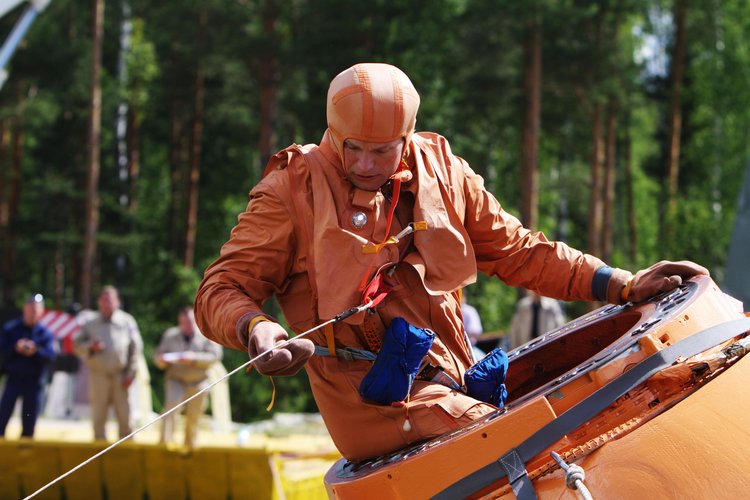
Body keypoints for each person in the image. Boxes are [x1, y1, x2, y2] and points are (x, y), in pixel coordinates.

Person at [194, 63, 708, 462]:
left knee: (609, 407)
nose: (366, 165)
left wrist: (623, 284)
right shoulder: (290, 190)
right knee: (529, 445)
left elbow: (520, 252)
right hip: (372, 405)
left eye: (383, 151)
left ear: (408, 135)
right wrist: (255, 329)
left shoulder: (444, 172)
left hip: (456, 380)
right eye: (353, 149)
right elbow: (219, 290)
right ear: (333, 131)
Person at [73, 286, 143, 440]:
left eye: (110, 301)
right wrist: (90, 346)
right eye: (104, 301)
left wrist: (131, 373)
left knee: (125, 415)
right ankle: (99, 447)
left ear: (117, 302)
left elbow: (136, 348)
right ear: (99, 302)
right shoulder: (90, 323)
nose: (107, 305)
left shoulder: (127, 321)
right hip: (98, 374)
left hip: (121, 374)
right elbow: (76, 345)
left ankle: (126, 448)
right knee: (98, 415)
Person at [154, 307, 222, 449]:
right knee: (171, 406)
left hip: (199, 381)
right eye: (184, 322)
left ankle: (190, 445)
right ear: (180, 322)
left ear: (196, 320)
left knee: (194, 415)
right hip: (176, 379)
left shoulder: (206, 334)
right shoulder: (170, 335)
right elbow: (158, 357)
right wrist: (161, 361)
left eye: (190, 321)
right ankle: (164, 444)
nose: (187, 325)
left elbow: (215, 356)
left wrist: (194, 359)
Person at [0, 294, 56, 438]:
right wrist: (15, 347)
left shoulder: (45, 333)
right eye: (30, 309)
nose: (32, 313)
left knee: (29, 422)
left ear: (41, 312)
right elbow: (2, 349)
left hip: (34, 381)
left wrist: (35, 350)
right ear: (24, 309)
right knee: (3, 415)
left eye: (35, 310)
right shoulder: (11, 329)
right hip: (14, 379)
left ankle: (26, 454)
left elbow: (50, 356)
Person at [460, 295, 485, 361]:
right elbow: (476, 330)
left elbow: (474, 331)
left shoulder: (468, 310)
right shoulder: (467, 310)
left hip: (470, 348)